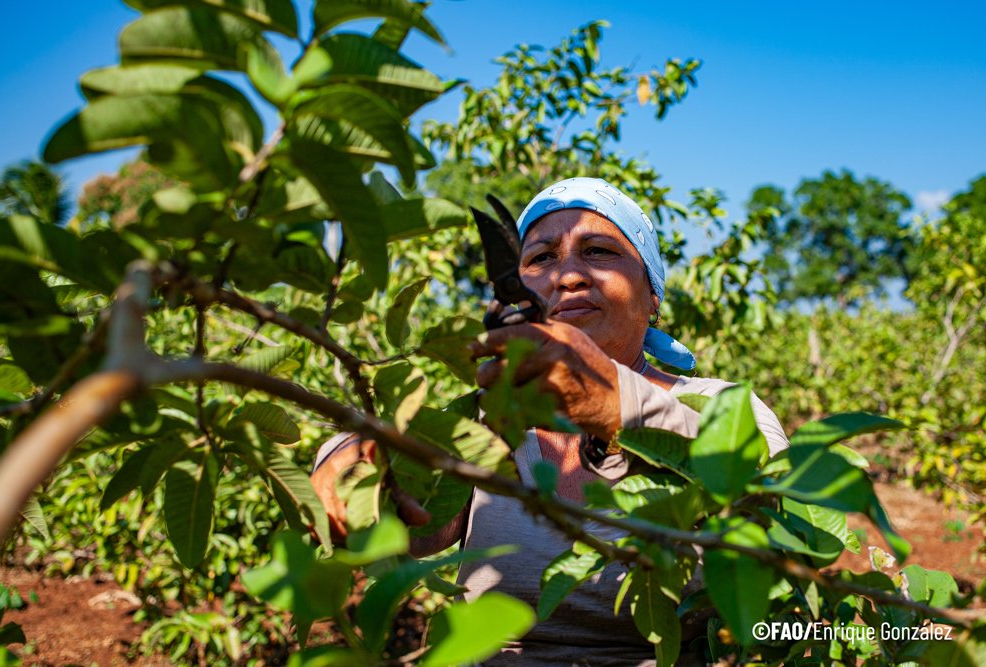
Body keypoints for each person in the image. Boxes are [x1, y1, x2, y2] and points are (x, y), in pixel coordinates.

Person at [311, 177, 789, 665]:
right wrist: (354, 460)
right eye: (540, 257)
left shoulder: (719, 406)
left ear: (653, 296)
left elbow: (789, 523)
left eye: (599, 251)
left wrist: (617, 403)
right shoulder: (488, 421)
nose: (567, 275)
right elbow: (416, 526)